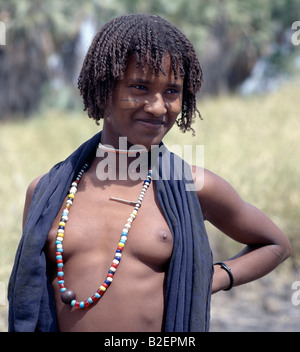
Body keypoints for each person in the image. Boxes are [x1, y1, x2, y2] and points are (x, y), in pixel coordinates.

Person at [8, 13, 291, 332]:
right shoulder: (46, 191)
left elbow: (275, 244)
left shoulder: (193, 186)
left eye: (172, 91)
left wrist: (210, 278)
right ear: (104, 91)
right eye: (140, 87)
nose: (158, 107)